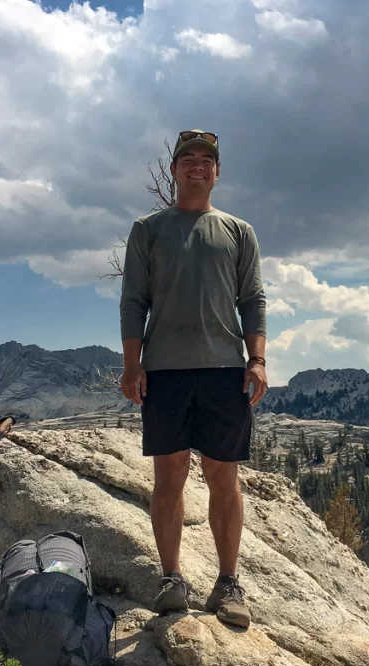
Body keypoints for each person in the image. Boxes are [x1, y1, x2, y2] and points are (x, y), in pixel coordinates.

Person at [118, 129, 268, 628]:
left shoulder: (239, 232)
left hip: (225, 370)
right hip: (165, 371)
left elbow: (252, 300)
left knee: (224, 477)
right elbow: (134, 301)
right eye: (188, 159)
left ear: (218, 172)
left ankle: (228, 582)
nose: (197, 167)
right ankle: (171, 579)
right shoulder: (149, 229)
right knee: (170, 478)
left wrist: (257, 359)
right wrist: (132, 364)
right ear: (174, 169)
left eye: (207, 160)